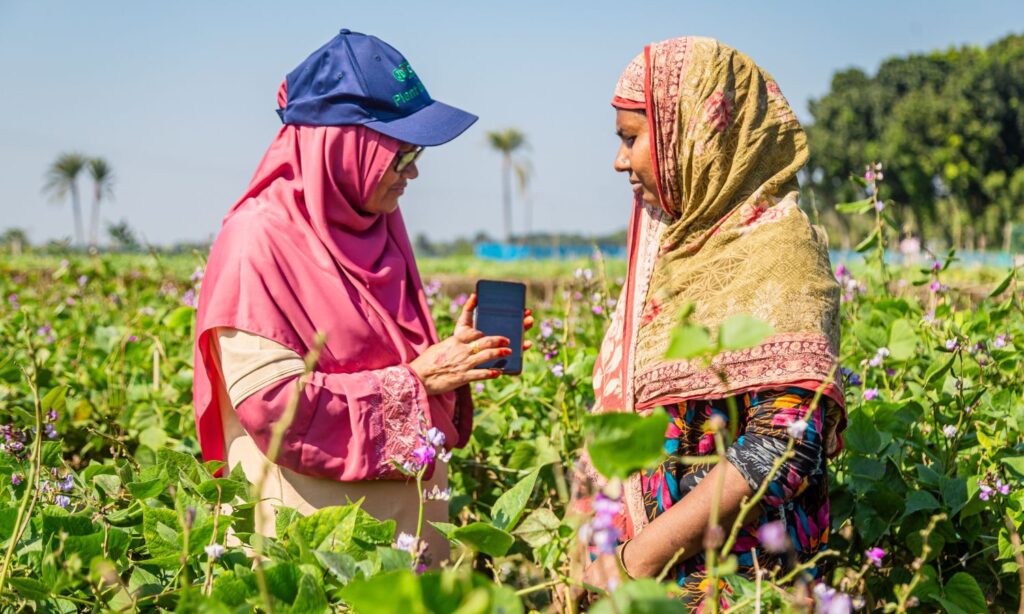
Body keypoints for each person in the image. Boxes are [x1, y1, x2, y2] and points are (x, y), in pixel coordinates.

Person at [192, 29, 531, 565]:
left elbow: (396, 366)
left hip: (404, 546)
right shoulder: (257, 240)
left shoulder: (378, 229)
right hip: (312, 558)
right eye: (401, 153)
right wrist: (420, 381)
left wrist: (454, 360)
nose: (413, 171)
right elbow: (274, 407)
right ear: (342, 147)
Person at [579, 36, 847, 605]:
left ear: (693, 137)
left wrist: (637, 559)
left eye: (631, 139)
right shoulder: (673, 253)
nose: (619, 160)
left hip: (741, 587)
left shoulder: (781, 253)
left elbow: (784, 446)